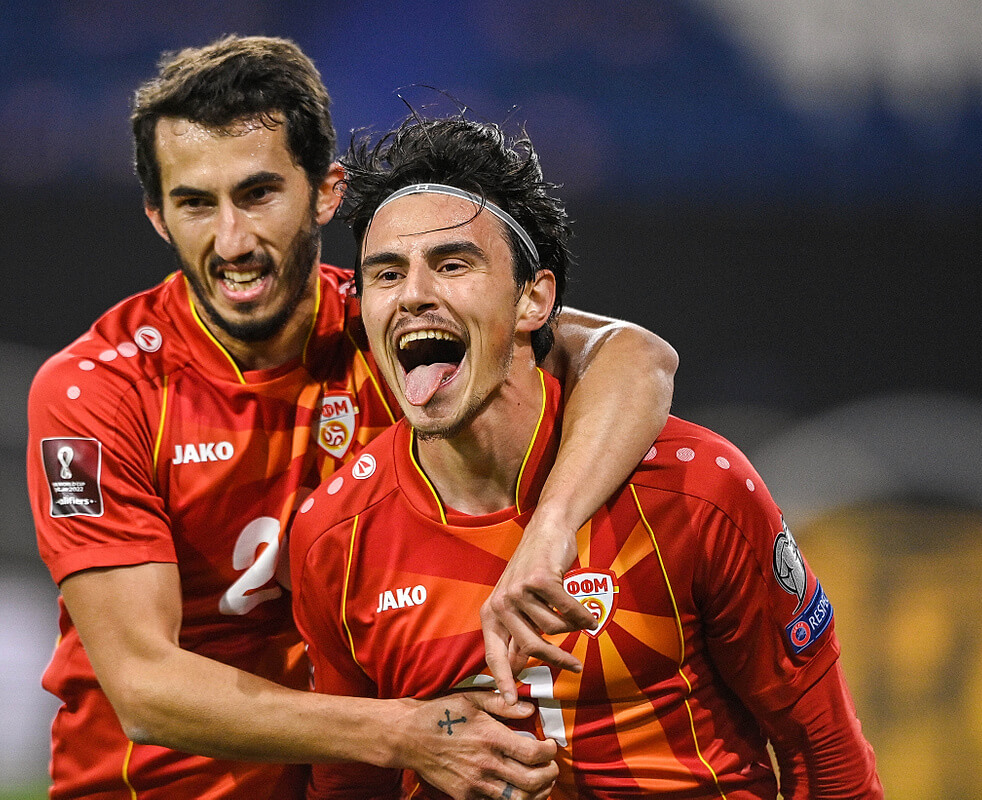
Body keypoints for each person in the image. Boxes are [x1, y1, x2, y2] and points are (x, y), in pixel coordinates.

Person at [26, 34, 678, 800]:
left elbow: (636, 357)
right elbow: (143, 687)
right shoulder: (97, 392)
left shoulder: (396, 326)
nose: (232, 240)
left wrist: (551, 530)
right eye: (196, 203)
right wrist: (407, 732)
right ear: (158, 217)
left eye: (259, 194)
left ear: (326, 192)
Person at [289, 113, 884, 798]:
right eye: (387, 274)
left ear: (534, 300)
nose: (415, 294)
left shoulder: (693, 490)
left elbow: (826, 753)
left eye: (452, 265)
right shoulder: (335, 538)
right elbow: (349, 783)